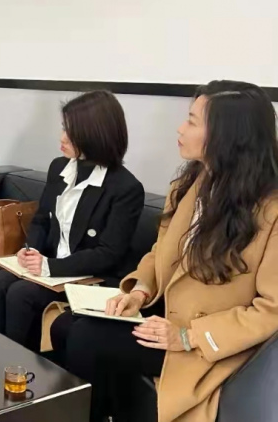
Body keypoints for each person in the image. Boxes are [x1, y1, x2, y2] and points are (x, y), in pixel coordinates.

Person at [53, 81, 278, 422]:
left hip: (209, 342)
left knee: (87, 337)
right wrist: (140, 292)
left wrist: (188, 336)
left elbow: (271, 310)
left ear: (228, 135)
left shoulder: (270, 211)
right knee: (63, 324)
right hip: (166, 317)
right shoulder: (189, 186)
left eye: (192, 121)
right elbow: (161, 251)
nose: (180, 128)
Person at [0, 90, 144, 351]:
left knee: (21, 295)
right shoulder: (59, 167)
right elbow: (41, 220)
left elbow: (109, 253)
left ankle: (17, 366)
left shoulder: (125, 188)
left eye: (71, 133)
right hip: (49, 268)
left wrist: (50, 266)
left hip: (89, 276)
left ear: (94, 135)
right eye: (63, 128)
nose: (62, 137)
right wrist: (30, 250)